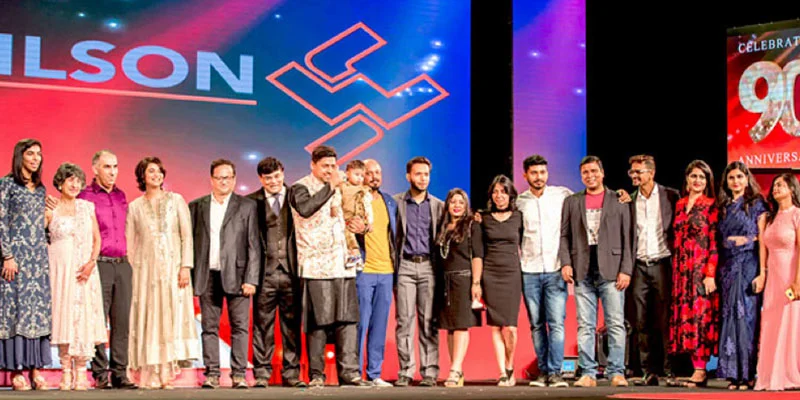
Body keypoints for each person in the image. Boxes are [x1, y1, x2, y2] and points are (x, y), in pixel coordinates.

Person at [289, 145, 366, 387]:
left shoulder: (343, 187)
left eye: (333, 166)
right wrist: (331, 186)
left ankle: (350, 373)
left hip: (342, 263)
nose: (331, 171)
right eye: (325, 166)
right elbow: (305, 209)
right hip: (315, 265)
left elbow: (352, 211)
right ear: (313, 165)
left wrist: (360, 224)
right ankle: (316, 374)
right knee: (319, 321)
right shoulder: (300, 187)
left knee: (347, 319)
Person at [126, 157, 199, 389]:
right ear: (142, 177)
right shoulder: (135, 207)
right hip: (146, 273)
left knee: (171, 317)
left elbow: (187, 236)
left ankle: (168, 372)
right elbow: (131, 243)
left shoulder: (176, 200)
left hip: (174, 271)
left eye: (159, 171)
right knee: (150, 319)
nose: (156, 175)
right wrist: (137, 270)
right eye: (150, 171)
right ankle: (152, 373)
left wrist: (185, 266)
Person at [560, 155, 631, 388]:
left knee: (616, 323)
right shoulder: (572, 201)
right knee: (585, 325)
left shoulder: (618, 199)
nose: (590, 176)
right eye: (585, 173)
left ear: (602, 173)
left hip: (611, 269)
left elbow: (628, 237)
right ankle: (588, 373)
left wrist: (626, 270)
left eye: (594, 171)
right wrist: (566, 262)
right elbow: (564, 235)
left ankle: (616, 371)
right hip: (582, 268)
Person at [189, 159, 260, 389]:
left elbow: (254, 245)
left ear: (234, 179)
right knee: (209, 327)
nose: (223, 181)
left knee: (240, 327)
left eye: (228, 177)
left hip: (238, 276)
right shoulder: (197, 207)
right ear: (211, 179)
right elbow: (190, 244)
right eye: (219, 177)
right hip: (207, 274)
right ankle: (211, 374)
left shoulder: (247, 206)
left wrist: (251, 278)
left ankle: (239, 374)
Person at [73, 150, 136, 389]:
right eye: (107, 167)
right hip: (98, 264)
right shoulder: (85, 196)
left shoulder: (121, 196)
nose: (112, 171)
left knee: (121, 322)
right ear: (95, 169)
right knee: (98, 321)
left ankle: (120, 372)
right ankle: (100, 373)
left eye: (115, 166)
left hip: (123, 264)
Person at [47, 163, 106, 391]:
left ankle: (81, 371)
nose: (74, 185)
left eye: (78, 181)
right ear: (60, 182)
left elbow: (97, 239)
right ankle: (65, 371)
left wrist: (92, 262)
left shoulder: (86, 207)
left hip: (84, 271)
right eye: (69, 180)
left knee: (83, 317)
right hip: (60, 269)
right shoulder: (51, 207)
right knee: (64, 316)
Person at [247, 157, 305, 388]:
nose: (273, 181)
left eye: (277, 176)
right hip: (264, 273)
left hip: (291, 272)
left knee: (291, 325)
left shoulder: (295, 197)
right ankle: (262, 373)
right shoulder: (251, 202)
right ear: (261, 179)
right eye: (268, 178)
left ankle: (292, 373)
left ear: (283, 173)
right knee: (262, 326)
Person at [0, 139, 52, 391]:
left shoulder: (41, 189)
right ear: (20, 156)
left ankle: (35, 369)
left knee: (36, 313)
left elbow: (39, 227)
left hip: (38, 261)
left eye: (39, 155)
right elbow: (1, 222)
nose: (35, 158)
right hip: (15, 260)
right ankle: (16, 371)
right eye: (30, 154)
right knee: (16, 313)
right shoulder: (6, 184)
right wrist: (7, 255)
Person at [516, 155, 572, 388]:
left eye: (542, 172)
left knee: (556, 323)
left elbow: (591, 198)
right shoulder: (519, 202)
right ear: (525, 175)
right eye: (534, 173)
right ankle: (542, 371)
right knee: (537, 324)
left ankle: (556, 373)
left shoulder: (562, 195)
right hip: (529, 270)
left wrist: (619, 195)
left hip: (555, 269)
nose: (539, 177)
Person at [624, 155, 680, 386]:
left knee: (667, 319)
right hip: (639, 266)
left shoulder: (671, 196)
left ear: (651, 173)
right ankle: (649, 371)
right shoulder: (629, 200)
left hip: (663, 264)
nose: (634, 176)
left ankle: (670, 371)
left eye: (638, 172)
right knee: (641, 320)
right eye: (632, 172)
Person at [668, 160, 719, 388]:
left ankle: (701, 369)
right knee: (685, 318)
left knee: (700, 318)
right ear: (687, 180)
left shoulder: (711, 205)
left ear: (707, 182)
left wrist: (710, 274)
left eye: (702, 177)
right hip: (681, 271)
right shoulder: (679, 205)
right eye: (694, 176)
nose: (697, 180)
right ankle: (692, 367)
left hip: (700, 270)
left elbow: (714, 243)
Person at [393, 156, 444, 387]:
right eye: (418, 174)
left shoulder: (438, 206)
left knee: (428, 322)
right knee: (404, 321)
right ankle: (405, 370)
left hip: (428, 267)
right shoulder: (396, 203)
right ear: (408, 176)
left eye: (426, 174)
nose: (422, 178)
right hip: (404, 266)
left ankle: (430, 371)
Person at [716, 161, 767, 390]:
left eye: (739, 177)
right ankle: (732, 375)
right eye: (731, 178)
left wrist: (762, 272)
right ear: (726, 182)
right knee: (729, 319)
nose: (735, 181)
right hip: (727, 267)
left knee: (746, 318)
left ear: (747, 179)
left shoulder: (756, 204)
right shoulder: (724, 206)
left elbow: (763, 238)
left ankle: (748, 374)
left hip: (749, 265)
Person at [756, 173, 800, 391]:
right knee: (772, 322)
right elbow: (762, 251)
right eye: (774, 186)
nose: (775, 189)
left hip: (791, 276)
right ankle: (771, 374)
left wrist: (798, 282)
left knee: (792, 322)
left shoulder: (798, 215)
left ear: (792, 189)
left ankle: (792, 373)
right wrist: (762, 275)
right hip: (773, 278)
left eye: (781, 185)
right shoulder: (767, 218)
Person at [354, 159, 397, 387]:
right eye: (369, 173)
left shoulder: (389, 201)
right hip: (364, 270)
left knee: (379, 325)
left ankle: (374, 373)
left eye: (377, 172)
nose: (374, 176)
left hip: (386, 270)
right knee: (361, 323)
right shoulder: (354, 200)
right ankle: (355, 373)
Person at [436, 188, 483, 388]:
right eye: (453, 202)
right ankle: (457, 369)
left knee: (462, 326)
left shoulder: (472, 226)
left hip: (464, 280)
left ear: (466, 206)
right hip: (444, 282)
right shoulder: (442, 226)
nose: (456, 205)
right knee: (450, 328)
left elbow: (477, 255)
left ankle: (455, 369)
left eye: (461, 202)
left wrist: (476, 283)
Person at [479, 175, 523, 387]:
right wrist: (477, 282)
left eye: (503, 192)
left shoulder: (519, 217)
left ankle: (510, 365)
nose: (499, 196)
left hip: (512, 274)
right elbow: (478, 251)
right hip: (491, 274)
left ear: (510, 195)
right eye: (495, 192)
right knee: (496, 326)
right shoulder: (483, 218)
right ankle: (502, 372)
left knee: (511, 328)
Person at [340, 160, 373, 270]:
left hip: (359, 217)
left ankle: (355, 256)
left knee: (352, 233)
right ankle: (355, 256)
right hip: (345, 217)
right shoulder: (341, 187)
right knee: (347, 233)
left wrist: (370, 221)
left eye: (362, 176)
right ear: (347, 173)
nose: (359, 178)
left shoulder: (364, 190)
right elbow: (336, 200)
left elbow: (368, 206)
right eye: (356, 174)